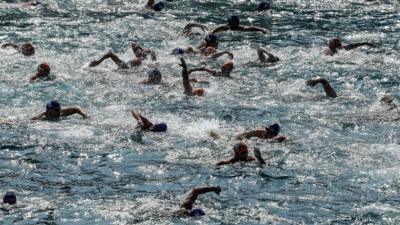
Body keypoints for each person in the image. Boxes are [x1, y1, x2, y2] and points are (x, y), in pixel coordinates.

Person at [89, 43, 156, 69]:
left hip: (128, 68)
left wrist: (154, 61)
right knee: (110, 55)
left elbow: (152, 53)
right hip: (126, 67)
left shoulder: (145, 54)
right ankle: (97, 62)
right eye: (135, 50)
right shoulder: (141, 58)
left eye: (138, 49)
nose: (137, 51)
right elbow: (110, 54)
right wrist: (98, 61)